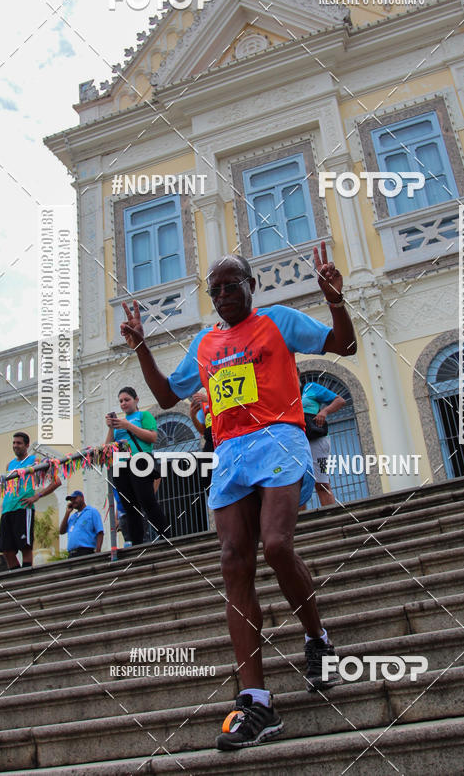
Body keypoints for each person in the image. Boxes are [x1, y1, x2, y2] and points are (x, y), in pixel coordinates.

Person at [121, 242, 357, 751]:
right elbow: (167, 397)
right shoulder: (204, 344)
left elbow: (344, 345)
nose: (225, 292)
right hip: (229, 453)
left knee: (275, 545)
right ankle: (257, 701)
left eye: (234, 284)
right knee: (233, 560)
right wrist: (141, 346)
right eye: (217, 287)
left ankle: (317, 639)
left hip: (279, 436)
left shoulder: (278, 321)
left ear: (253, 287)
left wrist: (335, 299)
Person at [105, 387, 169, 546]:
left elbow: (152, 437)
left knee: (147, 500)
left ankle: (166, 535)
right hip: (121, 464)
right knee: (129, 506)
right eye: (121, 401)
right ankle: (137, 543)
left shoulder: (143, 416)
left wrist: (128, 426)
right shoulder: (119, 424)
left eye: (127, 399)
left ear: (136, 400)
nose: (123, 403)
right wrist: (111, 427)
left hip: (140, 460)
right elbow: (107, 448)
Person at [0, 432, 60, 570]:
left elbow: (56, 482)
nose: (15, 446)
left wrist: (37, 496)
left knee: (25, 546)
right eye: (14, 443)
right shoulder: (10, 465)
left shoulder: (35, 461)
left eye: (19, 443)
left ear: (26, 445)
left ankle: (25, 578)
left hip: (23, 508)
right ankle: (16, 576)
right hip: (8, 509)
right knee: (7, 550)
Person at [299, 369, 346, 507]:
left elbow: (340, 400)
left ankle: (331, 518)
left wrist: (324, 411)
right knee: (297, 485)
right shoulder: (284, 395)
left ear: (297, 373)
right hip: (297, 442)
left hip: (318, 441)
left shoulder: (311, 388)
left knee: (322, 483)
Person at [59, 490, 104, 557]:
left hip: (85, 551)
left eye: (75, 498)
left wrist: (98, 552)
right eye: (71, 500)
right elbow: (61, 531)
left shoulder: (92, 512)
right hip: (71, 554)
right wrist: (67, 513)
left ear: (82, 498)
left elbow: (100, 532)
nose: (73, 501)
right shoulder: (72, 517)